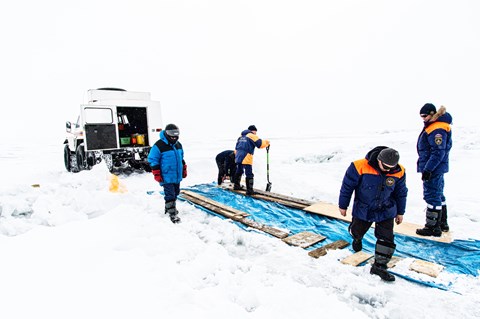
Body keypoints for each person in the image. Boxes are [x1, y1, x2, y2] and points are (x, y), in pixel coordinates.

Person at [338, 146, 408, 282]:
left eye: (391, 168)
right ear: (379, 160)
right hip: (364, 208)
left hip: (386, 209)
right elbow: (347, 186)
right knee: (357, 230)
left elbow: (401, 193)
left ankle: (380, 266)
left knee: (386, 238)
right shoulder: (358, 166)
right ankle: (357, 238)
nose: (388, 170)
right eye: (385, 167)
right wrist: (343, 205)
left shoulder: (399, 171)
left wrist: (400, 212)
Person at [415, 103, 453, 237]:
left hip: (434, 168)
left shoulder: (437, 128)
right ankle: (442, 223)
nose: (423, 119)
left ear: (432, 114)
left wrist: (428, 169)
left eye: (425, 116)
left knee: (432, 195)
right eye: (421, 117)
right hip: (437, 167)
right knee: (438, 194)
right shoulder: (436, 126)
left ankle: (432, 227)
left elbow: (438, 152)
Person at [147, 123, 187, 224]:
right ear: (166, 133)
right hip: (166, 175)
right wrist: (156, 173)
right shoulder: (159, 145)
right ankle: (172, 214)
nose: (173, 136)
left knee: (176, 192)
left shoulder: (178, 145)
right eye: (171, 133)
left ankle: (168, 208)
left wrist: (184, 168)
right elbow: (152, 159)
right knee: (170, 194)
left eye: (176, 133)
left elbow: (181, 158)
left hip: (176, 175)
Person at [233, 125, 270, 195]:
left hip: (238, 155)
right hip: (246, 156)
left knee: (239, 170)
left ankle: (236, 186)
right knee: (249, 173)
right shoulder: (251, 135)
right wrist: (267, 142)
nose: (256, 134)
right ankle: (249, 190)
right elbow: (260, 144)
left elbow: (236, 147)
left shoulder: (240, 137)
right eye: (255, 132)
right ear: (253, 130)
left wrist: (237, 155)